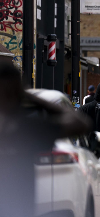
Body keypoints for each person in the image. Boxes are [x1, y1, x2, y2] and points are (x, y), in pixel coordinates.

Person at [0, 61, 91, 217]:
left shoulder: (27, 126)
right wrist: (31, 97)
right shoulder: (27, 127)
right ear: (18, 93)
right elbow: (80, 123)